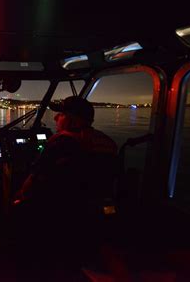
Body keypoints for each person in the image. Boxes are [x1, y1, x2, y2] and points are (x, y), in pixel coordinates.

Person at [14, 96, 119, 281]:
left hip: (60, 213)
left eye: (60, 114)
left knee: (19, 207)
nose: (56, 119)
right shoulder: (108, 143)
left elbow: (34, 179)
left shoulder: (60, 142)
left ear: (72, 119)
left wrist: (20, 196)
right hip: (95, 211)